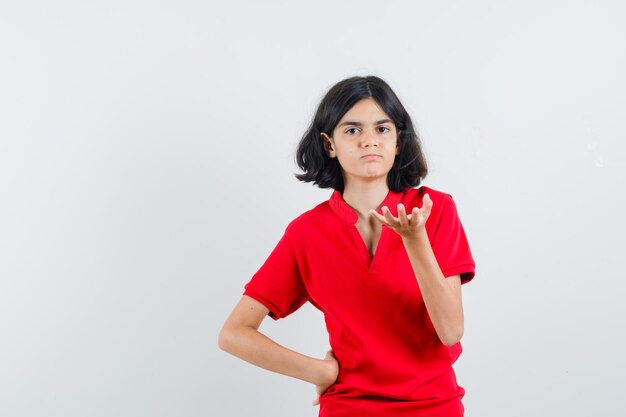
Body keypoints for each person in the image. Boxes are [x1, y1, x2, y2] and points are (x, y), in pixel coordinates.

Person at [218, 75, 476, 417]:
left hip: (434, 406)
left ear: (398, 141)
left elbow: (450, 330)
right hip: (348, 407)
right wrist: (319, 371)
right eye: (352, 130)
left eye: (382, 129)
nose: (369, 141)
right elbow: (234, 334)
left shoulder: (435, 210)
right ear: (329, 144)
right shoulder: (306, 233)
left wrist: (415, 241)